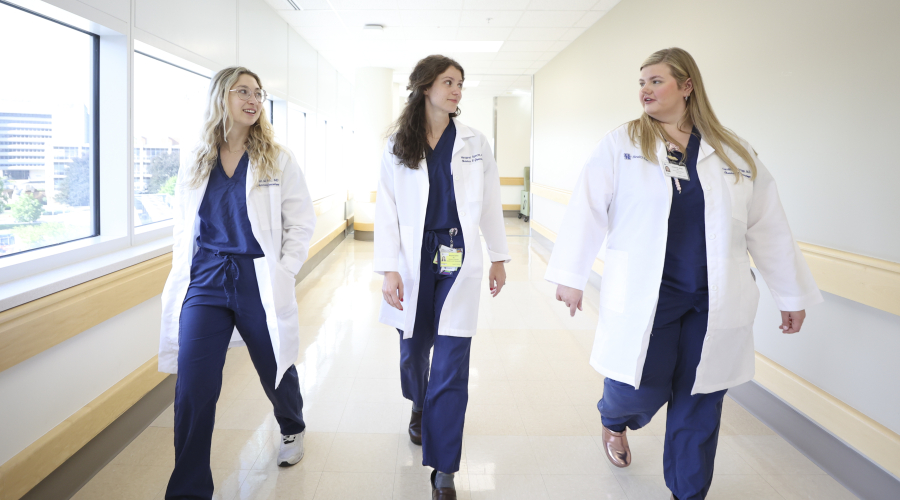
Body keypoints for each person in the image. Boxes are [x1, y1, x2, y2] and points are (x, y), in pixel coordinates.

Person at [546, 48, 823, 500]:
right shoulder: (622, 144)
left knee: (701, 396)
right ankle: (613, 420)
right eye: (641, 82)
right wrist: (571, 275)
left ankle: (688, 492)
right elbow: (587, 210)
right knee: (638, 388)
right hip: (649, 294)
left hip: (713, 297)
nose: (645, 90)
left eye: (656, 81)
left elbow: (767, 226)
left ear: (686, 85)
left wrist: (791, 295)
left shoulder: (733, 150)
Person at [157, 66, 316, 499]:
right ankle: (189, 489)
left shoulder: (276, 157)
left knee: (274, 363)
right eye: (243, 91)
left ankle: (292, 426)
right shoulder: (197, 156)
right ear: (221, 97)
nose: (253, 100)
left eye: (258, 93)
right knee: (193, 386)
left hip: (256, 275)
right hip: (206, 277)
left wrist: (284, 269)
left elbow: (301, 223)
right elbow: (182, 225)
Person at [374, 55, 510, 500]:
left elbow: (489, 202)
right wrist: (389, 267)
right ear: (425, 87)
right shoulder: (398, 143)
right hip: (414, 262)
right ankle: (418, 401)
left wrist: (499, 257)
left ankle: (445, 471)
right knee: (414, 354)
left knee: (451, 363)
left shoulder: (474, 141)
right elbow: (387, 210)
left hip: (459, 257)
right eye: (448, 82)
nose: (456, 90)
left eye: (460, 84)